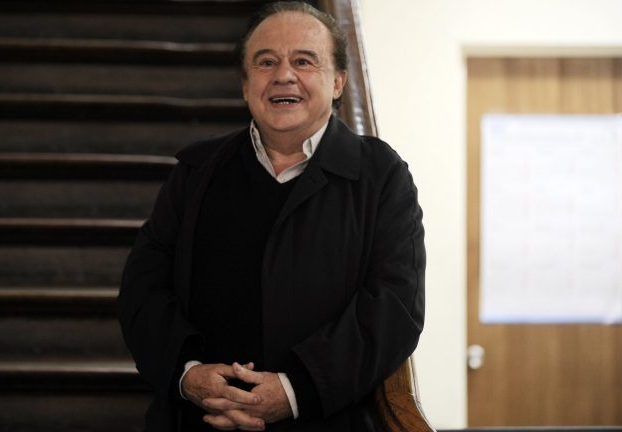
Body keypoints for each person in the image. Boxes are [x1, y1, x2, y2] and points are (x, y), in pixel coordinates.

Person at [118, 2, 425, 431]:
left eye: (304, 61)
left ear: (338, 81)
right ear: (246, 86)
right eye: (266, 62)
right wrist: (188, 374)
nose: (284, 75)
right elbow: (144, 289)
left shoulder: (382, 176)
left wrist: (295, 390)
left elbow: (395, 306)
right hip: (198, 420)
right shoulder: (195, 172)